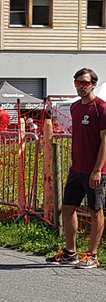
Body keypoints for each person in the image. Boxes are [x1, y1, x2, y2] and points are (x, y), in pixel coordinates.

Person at [47, 68, 106, 269]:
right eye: (78, 83)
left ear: (93, 84)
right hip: (76, 169)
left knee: (95, 210)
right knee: (67, 208)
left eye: (85, 83)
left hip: (95, 170)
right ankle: (70, 252)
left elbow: (105, 141)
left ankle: (92, 254)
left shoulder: (101, 108)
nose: (81, 86)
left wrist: (98, 169)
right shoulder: (74, 108)